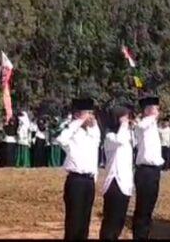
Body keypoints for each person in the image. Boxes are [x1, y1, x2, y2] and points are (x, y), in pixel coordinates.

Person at [57, 97, 100, 241]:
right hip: (76, 180)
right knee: (73, 221)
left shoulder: (93, 132)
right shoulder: (71, 132)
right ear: (77, 114)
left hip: (89, 180)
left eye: (91, 113)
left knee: (84, 222)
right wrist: (79, 122)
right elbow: (61, 139)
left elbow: (96, 145)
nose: (91, 116)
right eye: (87, 113)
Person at [99, 105, 133, 241]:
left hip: (125, 183)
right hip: (114, 182)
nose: (127, 119)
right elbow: (119, 141)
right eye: (124, 116)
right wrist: (124, 125)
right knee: (110, 221)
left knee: (120, 220)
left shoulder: (126, 134)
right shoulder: (110, 136)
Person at [133, 95, 163, 240]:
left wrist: (152, 115)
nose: (158, 112)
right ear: (147, 111)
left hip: (154, 171)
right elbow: (141, 125)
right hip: (145, 171)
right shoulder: (143, 124)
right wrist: (150, 115)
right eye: (155, 109)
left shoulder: (152, 125)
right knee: (142, 209)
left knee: (149, 208)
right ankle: (139, 236)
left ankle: (144, 235)